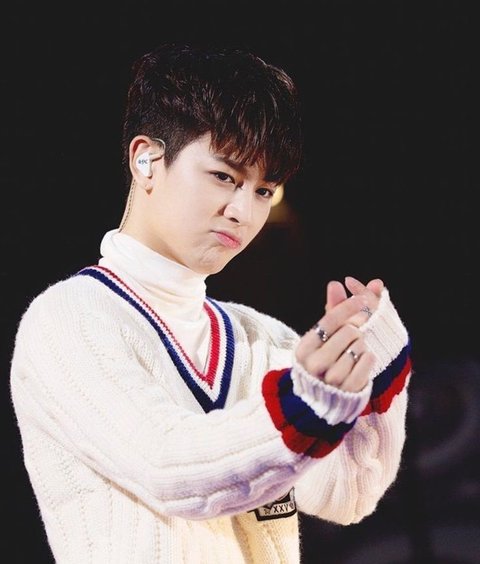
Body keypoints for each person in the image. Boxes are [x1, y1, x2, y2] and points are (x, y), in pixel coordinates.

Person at [10, 42, 412, 563]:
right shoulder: (68, 320)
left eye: (264, 191)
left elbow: (347, 496)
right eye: (225, 177)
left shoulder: (262, 338)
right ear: (146, 160)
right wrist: (301, 404)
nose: (243, 211)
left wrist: (375, 369)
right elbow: (168, 465)